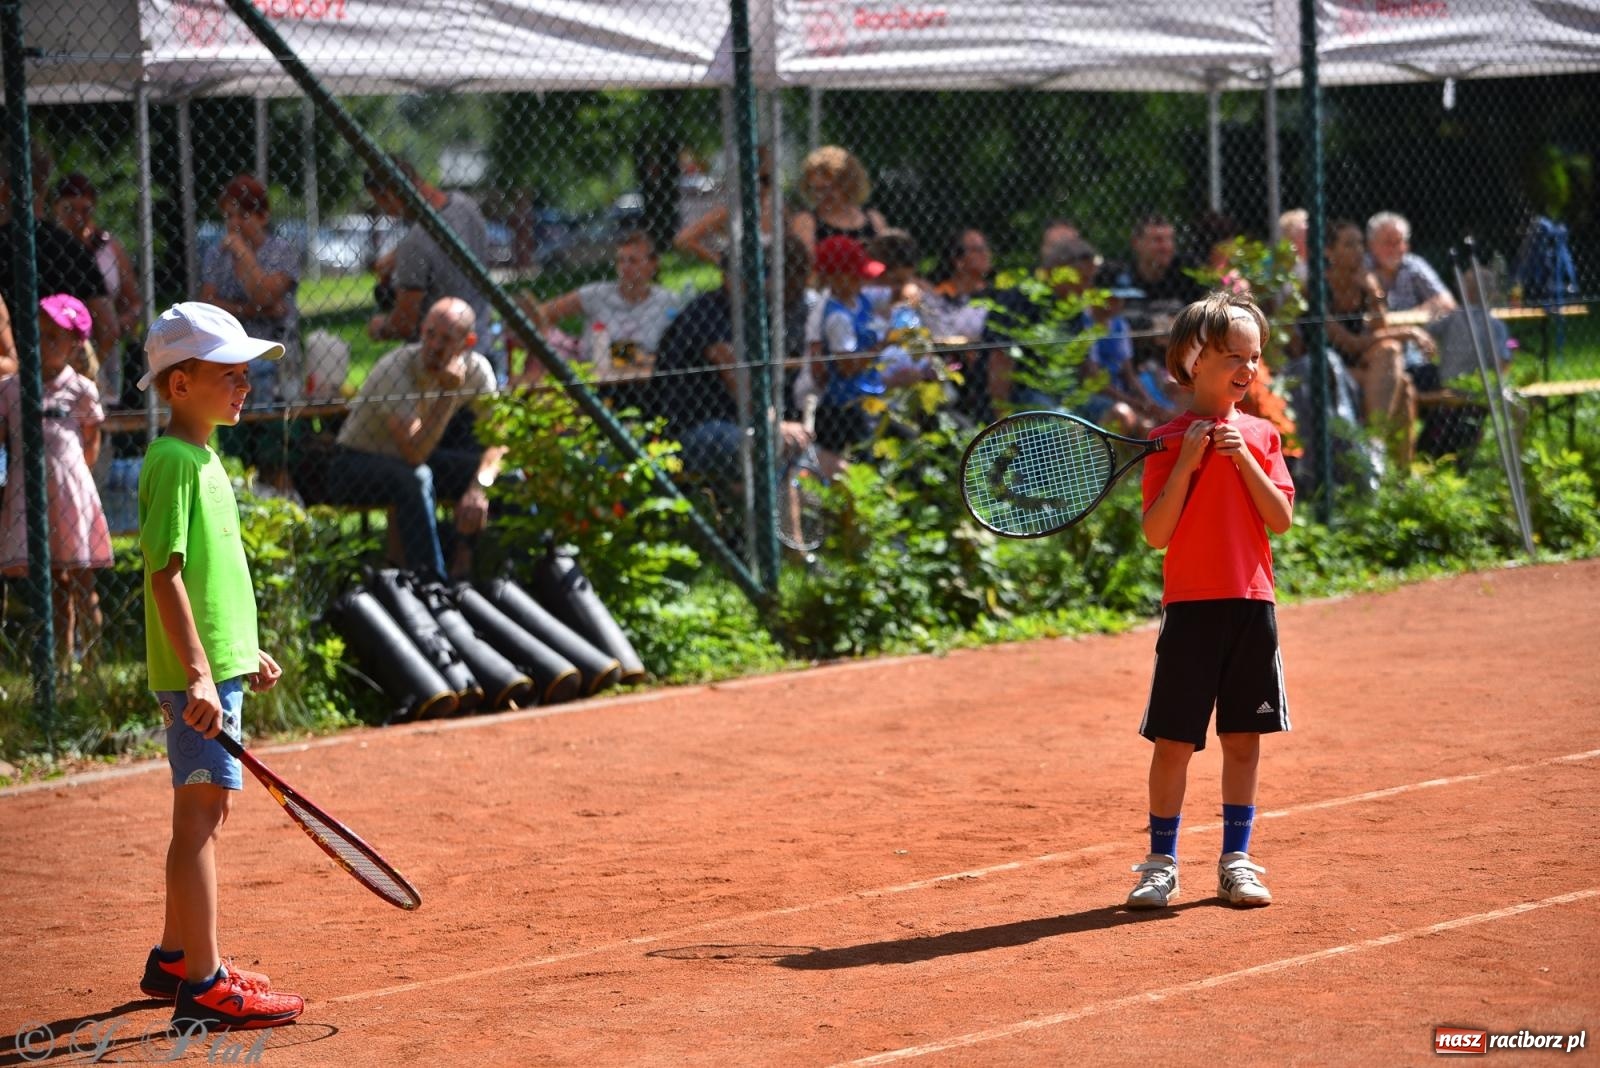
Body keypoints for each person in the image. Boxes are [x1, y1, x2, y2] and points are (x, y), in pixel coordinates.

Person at [133, 301, 304, 1029]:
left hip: (215, 667)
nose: (245, 387)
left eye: (246, 375)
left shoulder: (204, 457)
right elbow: (164, 575)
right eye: (229, 375)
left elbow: (211, 575)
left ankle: (176, 957)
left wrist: (238, 654)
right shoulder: (173, 461)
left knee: (209, 806)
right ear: (179, 385)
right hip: (194, 676)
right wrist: (200, 674)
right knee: (199, 816)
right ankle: (202, 986)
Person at [1126, 290, 1295, 911]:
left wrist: (1244, 456)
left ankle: (1236, 861)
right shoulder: (1165, 440)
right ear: (1194, 360)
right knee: (1173, 741)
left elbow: (1280, 520)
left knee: (1244, 739)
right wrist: (1187, 462)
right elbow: (1156, 533)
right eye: (1231, 356)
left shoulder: (1263, 435)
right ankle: (1160, 862)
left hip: (1252, 604)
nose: (1245, 370)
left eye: (1253, 358)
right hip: (1190, 610)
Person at [326, 297, 504, 580]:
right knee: (415, 476)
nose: (434, 346)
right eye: (429, 334)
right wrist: (448, 394)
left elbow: (499, 439)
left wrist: (479, 486)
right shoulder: (395, 368)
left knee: (507, 478)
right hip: (355, 462)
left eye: (446, 339)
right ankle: (432, 585)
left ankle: (516, 572)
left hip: (416, 460)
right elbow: (414, 454)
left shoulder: (477, 369)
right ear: (421, 330)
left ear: (467, 342)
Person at [651, 235, 815, 491]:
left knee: (797, 454)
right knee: (764, 448)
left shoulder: (758, 313)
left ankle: (785, 529)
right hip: (693, 429)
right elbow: (738, 380)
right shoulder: (707, 311)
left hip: (742, 424)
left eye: (767, 272)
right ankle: (765, 526)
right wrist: (775, 425)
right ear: (729, 274)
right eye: (754, 272)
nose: (765, 281)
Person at [0, 295, 113, 662]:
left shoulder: (81, 389)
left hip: (71, 497)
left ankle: (94, 660)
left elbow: (91, 444)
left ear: (74, 344)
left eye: (55, 336)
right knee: (52, 588)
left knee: (83, 584)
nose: (45, 342)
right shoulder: (11, 389)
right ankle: (61, 667)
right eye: (40, 333)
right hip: (29, 497)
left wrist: (74, 481)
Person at [0, 145, 116, 361]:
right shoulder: (71, 247)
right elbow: (109, 328)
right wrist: (79, 369)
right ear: (44, 188)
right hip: (62, 367)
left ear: (4, 189)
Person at [516, 230, 677, 383]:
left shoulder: (668, 300)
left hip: (650, 379)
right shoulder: (596, 294)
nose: (625, 267)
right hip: (597, 377)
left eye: (633, 261)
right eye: (621, 260)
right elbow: (541, 314)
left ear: (653, 264)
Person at [1324, 218, 1421, 471]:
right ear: (1329, 252)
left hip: (1361, 368)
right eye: (1348, 245)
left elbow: (1380, 331)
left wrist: (1374, 293)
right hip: (1328, 369)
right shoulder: (1317, 288)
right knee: (1403, 384)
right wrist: (1407, 333)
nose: (1358, 251)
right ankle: (1379, 458)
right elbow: (1351, 344)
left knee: (1391, 354)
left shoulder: (1364, 284)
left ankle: (1394, 468)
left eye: (1359, 244)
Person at [365, 161, 491, 354]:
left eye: (380, 203)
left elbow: (404, 324)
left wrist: (379, 327)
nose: (387, 213)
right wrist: (399, 256)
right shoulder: (466, 206)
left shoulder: (415, 244)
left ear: (390, 194)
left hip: (439, 360)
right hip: (480, 344)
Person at [54, 173, 143, 401]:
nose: (78, 218)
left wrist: (116, 324)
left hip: (104, 349)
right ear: (55, 209)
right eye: (69, 210)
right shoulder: (48, 248)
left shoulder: (108, 248)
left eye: (85, 210)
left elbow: (134, 303)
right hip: (58, 351)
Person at [812, 235, 888, 458]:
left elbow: (891, 295)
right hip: (847, 407)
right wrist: (880, 347)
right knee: (865, 459)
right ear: (836, 279)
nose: (862, 281)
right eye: (855, 276)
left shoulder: (860, 300)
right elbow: (847, 367)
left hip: (870, 396)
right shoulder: (837, 317)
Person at [673, 145, 777, 267]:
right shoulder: (730, 209)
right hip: (740, 278)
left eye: (766, 180)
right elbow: (682, 239)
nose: (760, 187)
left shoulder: (778, 210)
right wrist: (721, 261)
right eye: (755, 180)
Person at [788, 146, 889, 256]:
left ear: (847, 185)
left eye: (827, 188)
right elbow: (807, 266)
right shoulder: (806, 222)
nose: (820, 195)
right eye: (815, 189)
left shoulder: (873, 220)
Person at [1366, 211, 1457, 321]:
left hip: (1415, 328)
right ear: (1371, 245)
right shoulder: (1362, 266)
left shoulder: (1414, 264)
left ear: (1407, 245)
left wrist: (1401, 319)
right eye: (1387, 242)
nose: (1393, 249)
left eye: (1398, 242)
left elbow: (1446, 302)